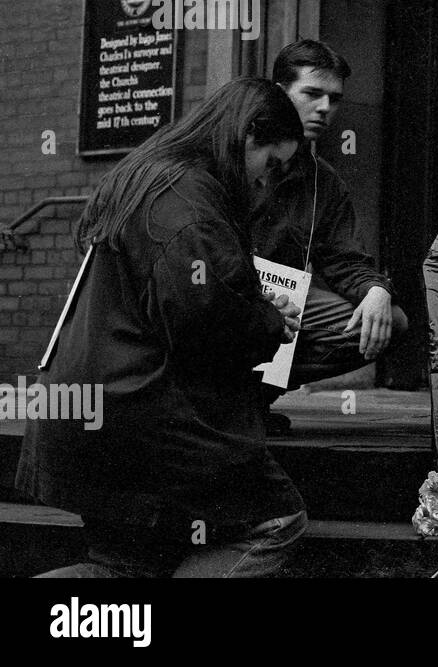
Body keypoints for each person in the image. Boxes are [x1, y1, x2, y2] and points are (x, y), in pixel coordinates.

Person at [17, 78, 310, 577]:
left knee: (127, 567)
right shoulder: (190, 202)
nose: (266, 184)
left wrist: (247, 300)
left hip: (96, 410)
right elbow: (201, 327)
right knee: (276, 520)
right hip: (143, 418)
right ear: (246, 135)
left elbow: (176, 296)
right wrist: (268, 320)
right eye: (272, 166)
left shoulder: (152, 177)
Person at [253, 40, 408, 433]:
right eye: (311, 93)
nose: (324, 108)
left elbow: (345, 261)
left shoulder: (324, 181)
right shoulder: (232, 155)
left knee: (390, 320)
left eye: (334, 99)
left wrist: (377, 290)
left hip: (277, 303)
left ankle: (251, 394)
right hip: (221, 294)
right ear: (278, 91)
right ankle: (213, 397)